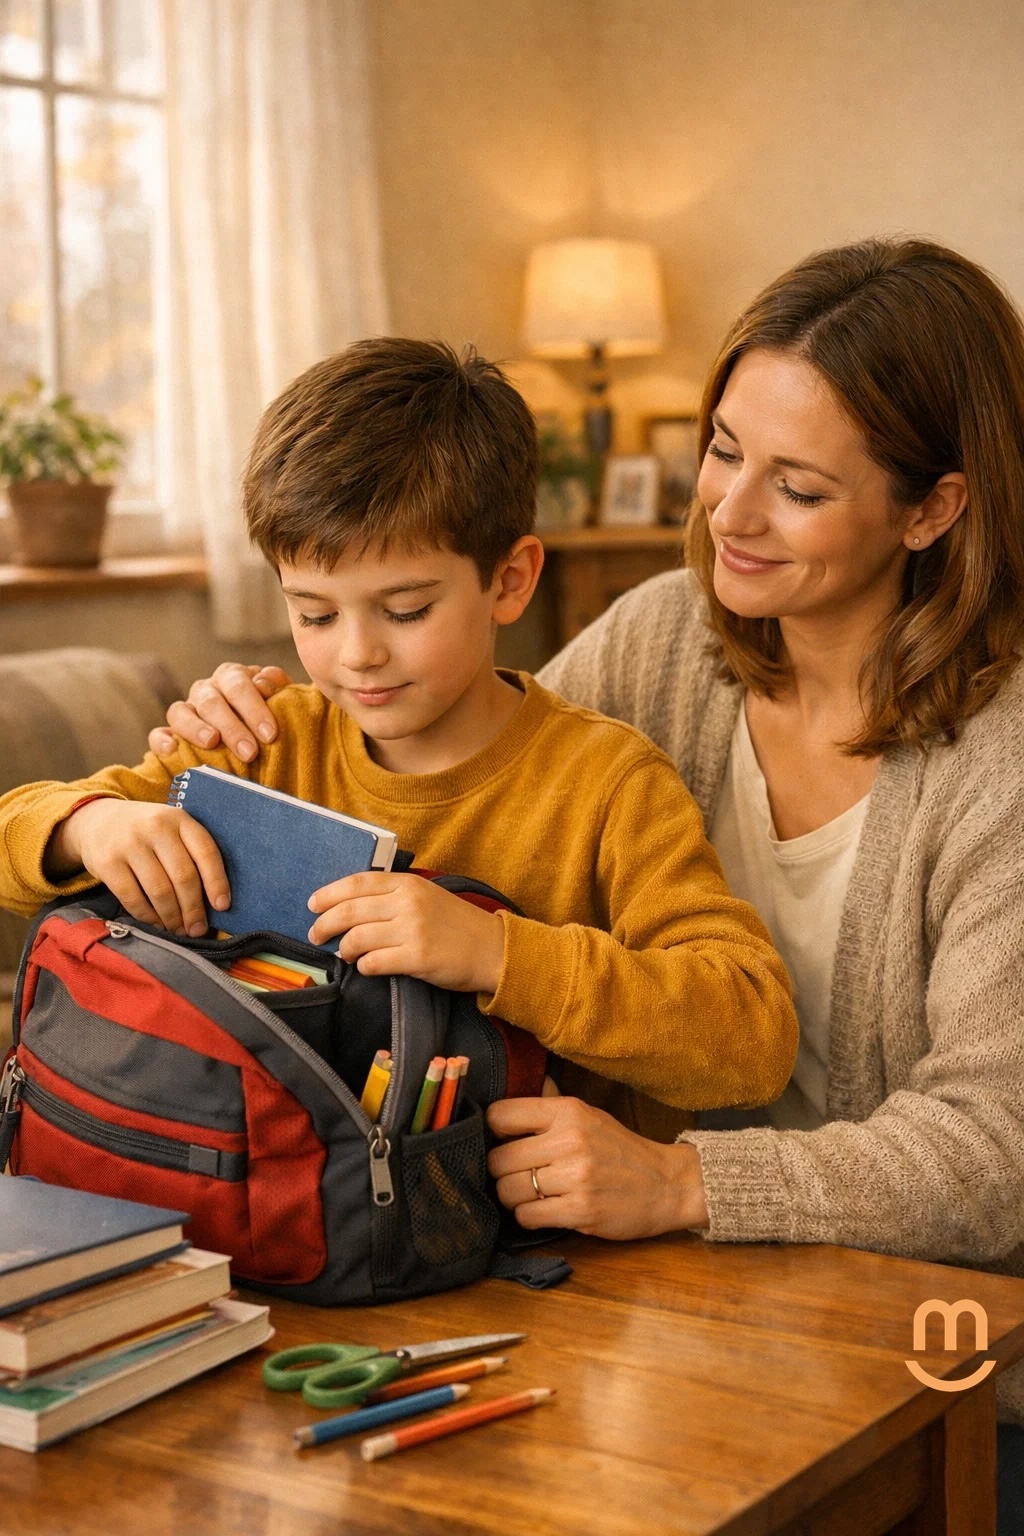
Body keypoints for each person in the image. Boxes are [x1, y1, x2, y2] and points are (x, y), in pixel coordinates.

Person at [155, 241, 1024, 1525]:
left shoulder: (1000, 757)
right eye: (724, 451)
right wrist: (236, 738)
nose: (729, 516)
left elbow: (995, 1153)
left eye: (795, 485)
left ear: (932, 508)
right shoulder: (666, 633)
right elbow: (469, 791)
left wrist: (682, 1186)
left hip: (933, 1343)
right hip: (638, 1292)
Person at [0, 337, 798, 1142]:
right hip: (274, 1221)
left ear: (511, 580)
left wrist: (496, 955)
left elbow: (750, 1040)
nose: (356, 654)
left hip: (537, 1240)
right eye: (313, 613)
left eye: (406, 610)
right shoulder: (260, 740)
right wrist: (90, 826)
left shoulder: (609, 782)